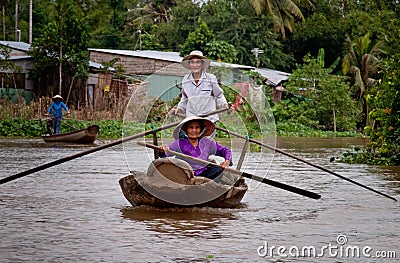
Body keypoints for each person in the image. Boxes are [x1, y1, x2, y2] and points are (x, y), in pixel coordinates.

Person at [158, 116, 232, 181]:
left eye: (197, 127)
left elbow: (225, 150)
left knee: (218, 170)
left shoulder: (207, 143)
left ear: (201, 129)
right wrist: (162, 151)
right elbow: (166, 153)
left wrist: (227, 161)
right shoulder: (179, 143)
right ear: (186, 130)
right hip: (185, 176)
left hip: (204, 175)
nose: (194, 130)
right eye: (191, 127)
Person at [174, 50, 231, 123]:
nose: (195, 65)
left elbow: (219, 95)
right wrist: (179, 109)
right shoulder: (186, 79)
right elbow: (185, 98)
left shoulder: (210, 78)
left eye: (198, 62)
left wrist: (225, 105)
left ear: (202, 64)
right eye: (192, 62)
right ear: (189, 64)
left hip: (209, 119)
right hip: (192, 119)